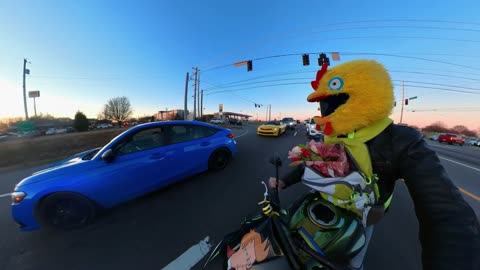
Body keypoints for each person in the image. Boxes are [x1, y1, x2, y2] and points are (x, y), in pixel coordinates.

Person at [269, 59, 480, 270]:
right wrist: (285, 181)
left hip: (363, 217)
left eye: (329, 103)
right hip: (322, 199)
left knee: (352, 262)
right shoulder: (332, 133)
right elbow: (314, 162)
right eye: (322, 106)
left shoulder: (400, 139)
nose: (323, 111)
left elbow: (446, 210)